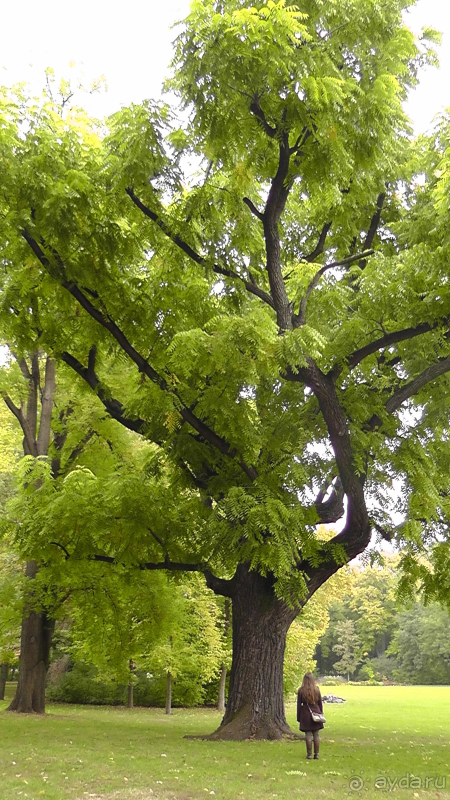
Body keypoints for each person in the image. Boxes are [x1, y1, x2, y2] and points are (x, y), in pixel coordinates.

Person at [297, 672, 324, 760]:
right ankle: (316, 754)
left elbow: (298, 705)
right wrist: (321, 714)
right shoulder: (317, 689)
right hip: (316, 713)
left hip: (305, 713)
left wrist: (299, 717)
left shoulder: (301, 690)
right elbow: (320, 703)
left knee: (308, 735)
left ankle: (309, 754)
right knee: (316, 734)